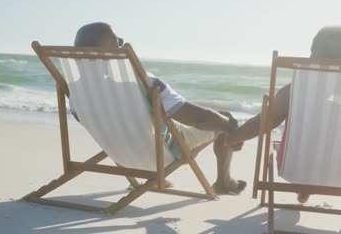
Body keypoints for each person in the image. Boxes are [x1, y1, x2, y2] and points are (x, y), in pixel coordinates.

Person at [71, 22, 246, 194]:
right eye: (117, 41)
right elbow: (197, 119)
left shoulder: (75, 92)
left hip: (120, 155)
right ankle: (224, 181)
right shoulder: (144, 83)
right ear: (107, 51)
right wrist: (231, 127)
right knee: (223, 117)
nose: (122, 44)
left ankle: (152, 178)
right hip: (160, 155)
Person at [217, 25, 341, 201]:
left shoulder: (296, 92)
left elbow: (262, 122)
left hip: (295, 168)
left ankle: (305, 185)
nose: (309, 57)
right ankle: (307, 188)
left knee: (303, 147)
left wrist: (232, 138)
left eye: (312, 52)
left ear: (316, 57)